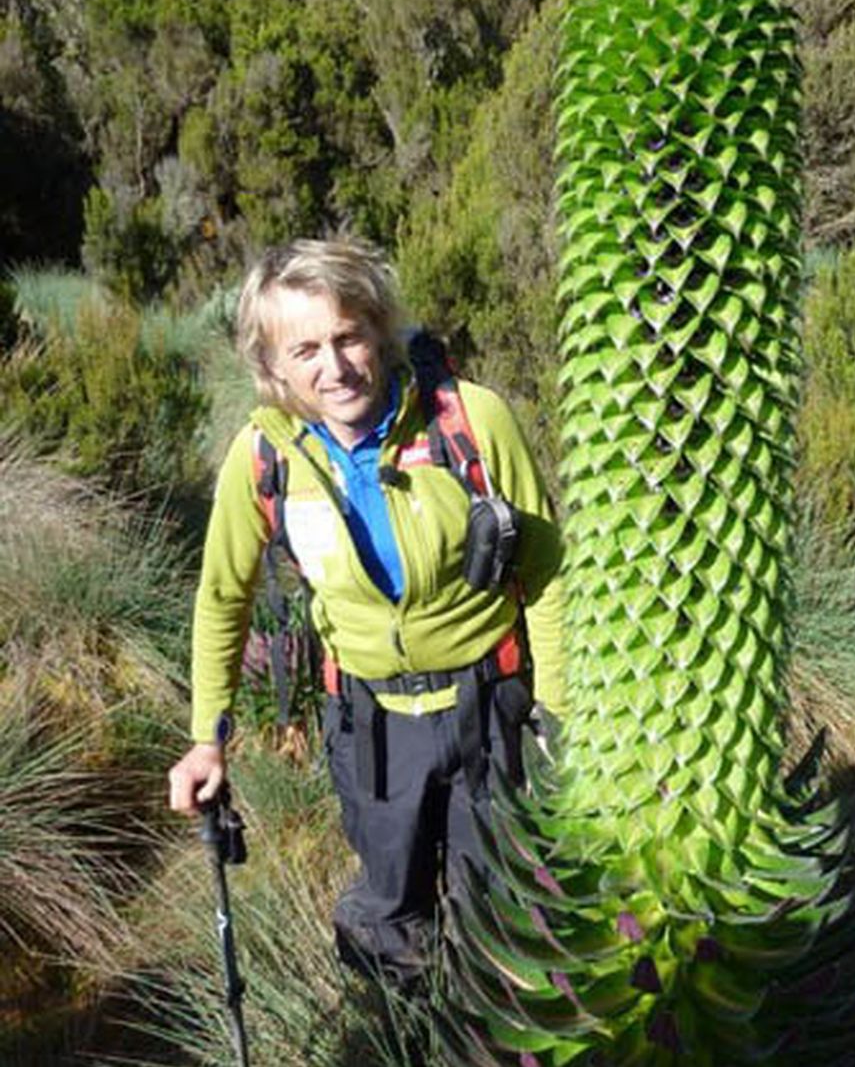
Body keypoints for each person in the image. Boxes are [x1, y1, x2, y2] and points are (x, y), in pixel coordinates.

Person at [168, 235, 566, 984]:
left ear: (379, 330)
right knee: (390, 917)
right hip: (372, 727)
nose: (335, 366)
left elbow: (546, 572)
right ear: (271, 365)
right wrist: (206, 741)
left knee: (508, 920)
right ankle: (400, 1039)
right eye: (306, 348)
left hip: (492, 711)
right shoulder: (264, 459)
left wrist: (561, 715)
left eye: (349, 336)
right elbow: (223, 598)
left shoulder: (470, 422)